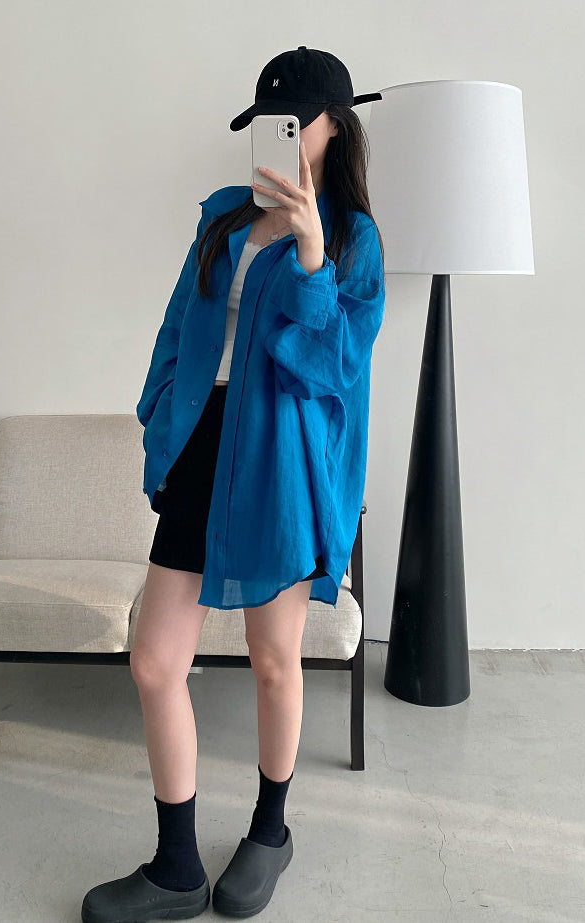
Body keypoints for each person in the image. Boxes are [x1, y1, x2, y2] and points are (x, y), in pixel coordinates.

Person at [82, 46, 384, 923]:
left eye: (295, 121)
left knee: (272, 659)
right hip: (200, 449)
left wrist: (311, 254)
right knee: (154, 660)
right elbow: (178, 329)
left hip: (278, 461)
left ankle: (269, 830)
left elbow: (334, 365)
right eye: (265, 121)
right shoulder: (221, 217)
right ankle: (176, 866)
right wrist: (157, 418)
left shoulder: (352, 239)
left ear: (334, 127)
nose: (278, 134)